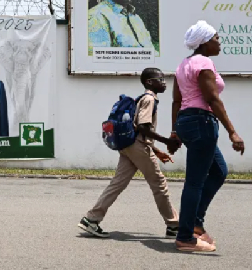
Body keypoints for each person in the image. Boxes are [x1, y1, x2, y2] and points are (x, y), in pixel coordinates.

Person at [78, 68, 182, 238]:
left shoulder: (141, 99)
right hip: (137, 147)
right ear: (149, 82)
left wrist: (156, 151)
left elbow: (137, 129)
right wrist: (167, 141)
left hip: (129, 147)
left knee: (117, 183)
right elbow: (142, 127)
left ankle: (91, 219)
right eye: (160, 79)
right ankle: (173, 225)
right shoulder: (149, 99)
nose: (164, 83)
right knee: (159, 184)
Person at [171, 20, 245, 252]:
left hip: (187, 121)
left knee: (218, 171)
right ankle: (185, 237)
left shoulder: (183, 65)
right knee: (194, 181)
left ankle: (194, 223)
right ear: (204, 42)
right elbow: (213, 99)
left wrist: (175, 130)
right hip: (201, 122)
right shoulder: (204, 63)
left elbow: (177, 101)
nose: (219, 42)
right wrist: (232, 132)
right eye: (216, 38)